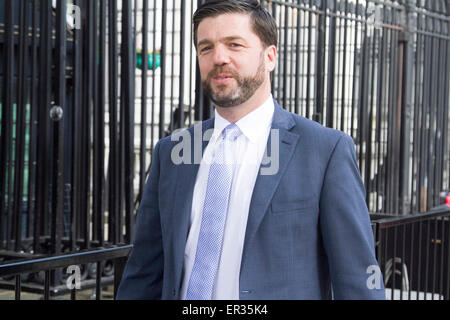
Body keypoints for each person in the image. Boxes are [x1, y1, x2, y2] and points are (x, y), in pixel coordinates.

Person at [116, 0, 385, 300]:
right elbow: (144, 271)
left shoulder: (325, 151)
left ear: (270, 56)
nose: (219, 57)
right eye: (206, 48)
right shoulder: (173, 152)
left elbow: (358, 280)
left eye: (234, 44)